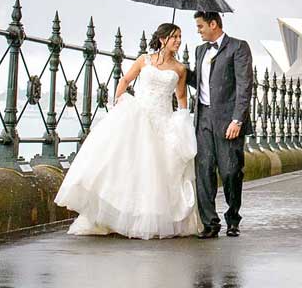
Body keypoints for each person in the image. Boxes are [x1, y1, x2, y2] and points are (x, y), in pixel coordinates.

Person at [54, 23, 202, 239]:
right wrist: (118, 103)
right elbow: (125, 80)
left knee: (156, 171)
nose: (178, 41)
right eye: (174, 37)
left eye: (180, 37)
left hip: (163, 120)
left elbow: (180, 97)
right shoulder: (144, 60)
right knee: (128, 166)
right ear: (162, 39)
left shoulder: (179, 69)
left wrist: (183, 121)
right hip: (139, 115)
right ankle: (117, 217)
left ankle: (148, 217)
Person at [188, 11, 253, 239]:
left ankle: (233, 219)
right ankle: (210, 223)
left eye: (200, 26)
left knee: (230, 171)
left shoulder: (238, 47)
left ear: (213, 24)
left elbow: (245, 86)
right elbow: (197, 80)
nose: (198, 31)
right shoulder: (199, 51)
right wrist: (169, 63)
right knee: (204, 171)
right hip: (203, 117)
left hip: (228, 120)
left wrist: (238, 119)